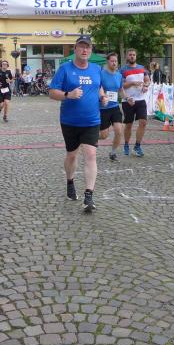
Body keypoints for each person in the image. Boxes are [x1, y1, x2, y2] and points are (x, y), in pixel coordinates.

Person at [48, 35, 106, 213]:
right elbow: (52, 92)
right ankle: (70, 181)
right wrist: (68, 95)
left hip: (92, 120)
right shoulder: (65, 69)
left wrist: (102, 96)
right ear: (75, 49)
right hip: (70, 121)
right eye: (81, 47)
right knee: (72, 156)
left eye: (87, 47)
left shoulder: (97, 69)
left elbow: (99, 86)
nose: (84, 50)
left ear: (91, 50)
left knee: (91, 155)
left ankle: (89, 196)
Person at [120, 48, 150, 157]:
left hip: (140, 99)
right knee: (129, 124)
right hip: (128, 100)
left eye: (133, 55)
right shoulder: (123, 70)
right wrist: (132, 83)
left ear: (136, 56)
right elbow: (121, 85)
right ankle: (126, 144)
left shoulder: (142, 68)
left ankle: (137, 146)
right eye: (130, 55)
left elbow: (147, 80)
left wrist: (146, 86)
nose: (132, 56)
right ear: (127, 56)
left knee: (143, 122)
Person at [100, 52, 124, 161]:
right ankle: (88, 139)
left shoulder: (119, 75)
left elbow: (120, 90)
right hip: (103, 108)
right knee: (104, 135)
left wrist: (127, 98)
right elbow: (97, 87)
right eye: (112, 61)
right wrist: (102, 97)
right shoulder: (101, 74)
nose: (114, 63)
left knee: (119, 131)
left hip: (114, 107)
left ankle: (113, 152)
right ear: (107, 62)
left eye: (116, 61)